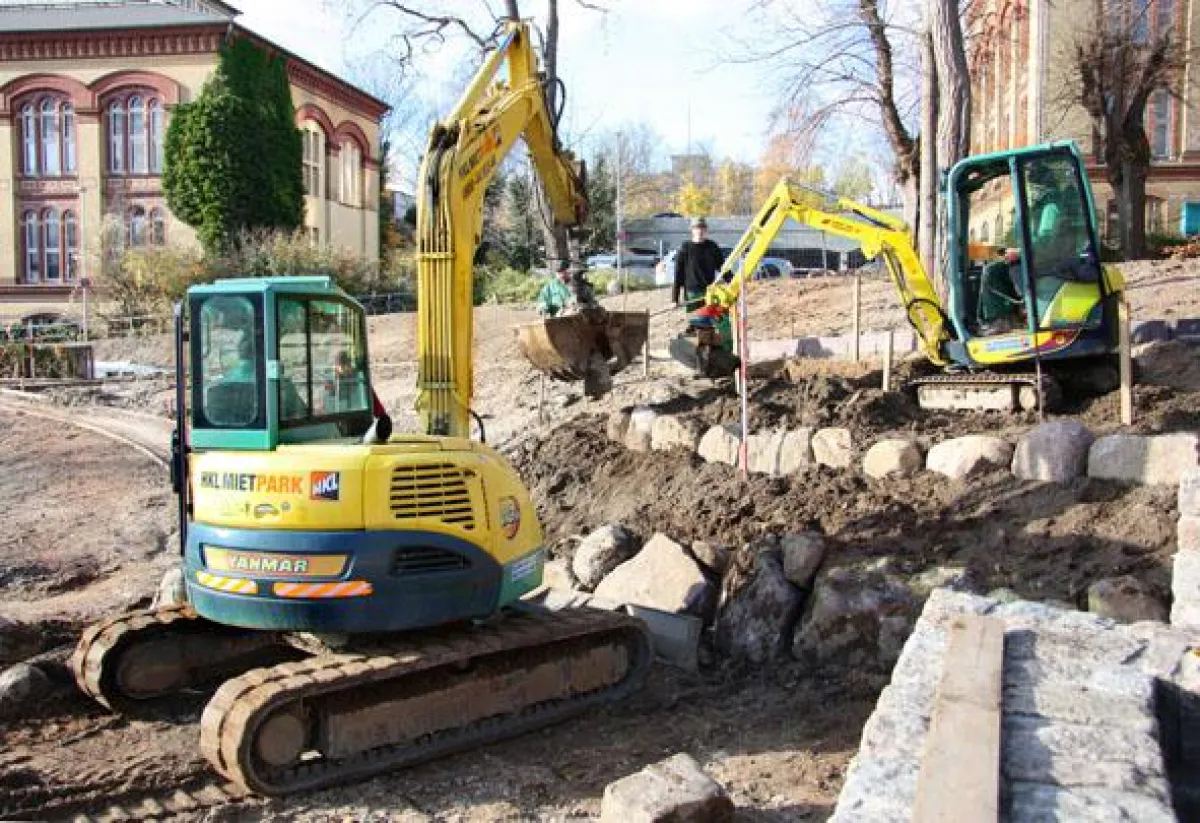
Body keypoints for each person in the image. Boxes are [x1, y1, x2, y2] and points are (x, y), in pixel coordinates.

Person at [672, 217, 726, 311]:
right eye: (697, 228)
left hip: (709, 292)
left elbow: (723, 268)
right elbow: (678, 274)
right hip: (692, 294)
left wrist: (734, 282)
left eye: (702, 228)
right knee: (694, 322)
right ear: (692, 230)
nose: (700, 230)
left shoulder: (712, 247)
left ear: (706, 230)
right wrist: (674, 299)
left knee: (710, 322)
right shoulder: (685, 248)